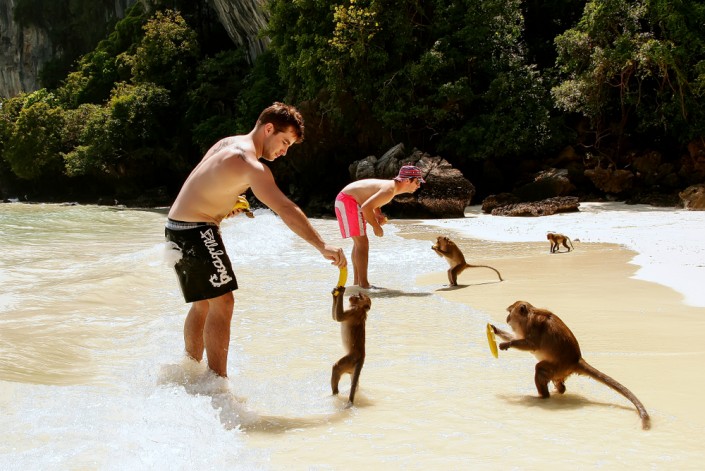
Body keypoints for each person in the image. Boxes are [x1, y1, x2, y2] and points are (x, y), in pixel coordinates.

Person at [165, 102, 346, 377]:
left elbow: (204, 177)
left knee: (203, 302)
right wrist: (322, 245)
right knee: (223, 303)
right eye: (284, 142)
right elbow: (285, 208)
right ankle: (217, 384)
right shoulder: (250, 164)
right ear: (269, 128)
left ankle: (191, 370)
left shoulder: (228, 143)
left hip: (177, 226)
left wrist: (226, 202)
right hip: (195, 230)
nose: (284, 151)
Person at [334, 165, 425, 288]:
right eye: (417, 182)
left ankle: (358, 283)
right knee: (362, 243)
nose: (419, 186)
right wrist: (376, 226)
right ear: (407, 180)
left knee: (359, 243)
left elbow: (372, 199)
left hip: (347, 200)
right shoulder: (389, 190)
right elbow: (366, 208)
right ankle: (364, 284)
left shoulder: (391, 188)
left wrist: (378, 214)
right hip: (348, 201)